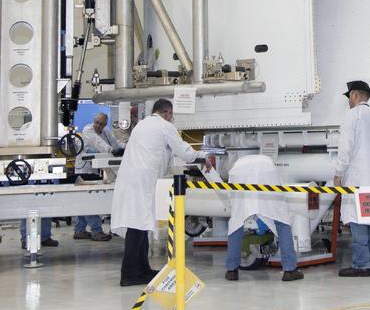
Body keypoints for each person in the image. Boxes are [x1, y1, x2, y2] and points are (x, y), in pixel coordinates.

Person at [111, 98, 211, 287]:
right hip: (141, 181)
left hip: (133, 179)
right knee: (137, 226)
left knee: (141, 225)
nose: (171, 118)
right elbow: (184, 151)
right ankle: (129, 274)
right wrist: (202, 156)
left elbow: (164, 152)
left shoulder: (143, 125)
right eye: (171, 115)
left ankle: (142, 269)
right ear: (167, 113)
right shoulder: (164, 126)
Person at [333, 80, 370, 278]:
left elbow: (345, 148)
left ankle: (361, 265)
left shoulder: (352, 115)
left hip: (358, 178)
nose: (348, 101)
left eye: (349, 97)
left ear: (355, 95)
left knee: (357, 223)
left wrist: (338, 174)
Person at [223, 154, 303, 282]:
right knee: (281, 220)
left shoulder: (238, 163)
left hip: (239, 172)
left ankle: (231, 271)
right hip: (267, 171)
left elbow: (230, 199)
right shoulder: (268, 161)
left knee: (236, 221)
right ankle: (290, 270)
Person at [74, 113, 123, 241]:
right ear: (93, 121)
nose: (98, 125)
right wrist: (111, 150)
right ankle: (96, 230)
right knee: (90, 201)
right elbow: (99, 143)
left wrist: (125, 147)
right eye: (97, 122)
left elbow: (114, 141)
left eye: (101, 123)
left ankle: (79, 230)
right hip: (83, 169)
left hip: (94, 170)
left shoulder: (105, 131)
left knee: (84, 201)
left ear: (105, 124)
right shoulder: (87, 130)